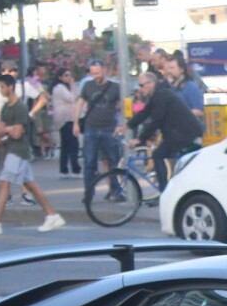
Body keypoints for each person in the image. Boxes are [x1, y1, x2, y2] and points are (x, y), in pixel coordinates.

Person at [0, 74, 65, 236]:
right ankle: (52, 215)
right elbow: (0, 128)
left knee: (4, 182)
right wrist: (5, 130)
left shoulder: (20, 108)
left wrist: (6, 130)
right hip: (12, 148)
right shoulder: (6, 108)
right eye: (0, 87)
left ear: (10, 87)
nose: (1, 90)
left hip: (18, 150)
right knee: (30, 184)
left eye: (3, 87)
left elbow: (17, 133)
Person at [126, 71, 200, 192]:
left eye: (141, 85)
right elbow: (145, 112)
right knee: (171, 159)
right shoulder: (157, 95)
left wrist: (140, 138)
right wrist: (128, 125)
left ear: (151, 83)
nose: (140, 89)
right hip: (178, 133)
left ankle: (164, 191)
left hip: (184, 133)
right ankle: (171, 189)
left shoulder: (162, 95)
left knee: (158, 155)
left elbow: (156, 119)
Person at [72, 59, 123, 202]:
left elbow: (125, 105)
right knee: (89, 162)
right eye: (93, 73)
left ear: (105, 71)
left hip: (109, 128)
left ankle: (116, 190)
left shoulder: (114, 87)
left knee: (113, 161)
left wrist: (122, 123)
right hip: (91, 127)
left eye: (98, 73)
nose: (96, 76)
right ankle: (89, 193)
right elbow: (80, 103)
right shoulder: (88, 86)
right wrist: (75, 122)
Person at [163, 52, 205, 140]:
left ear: (181, 69)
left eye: (172, 68)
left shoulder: (190, 87)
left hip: (190, 133)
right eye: (168, 68)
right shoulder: (171, 88)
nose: (169, 71)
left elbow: (199, 110)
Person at [51, 68, 81, 178]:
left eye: (69, 75)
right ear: (60, 77)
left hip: (67, 118)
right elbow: (73, 98)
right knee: (73, 144)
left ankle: (64, 170)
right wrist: (73, 85)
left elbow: (77, 96)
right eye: (66, 75)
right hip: (66, 119)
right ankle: (75, 169)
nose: (69, 77)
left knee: (66, 145)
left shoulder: (64, 87)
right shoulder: (60, 88)